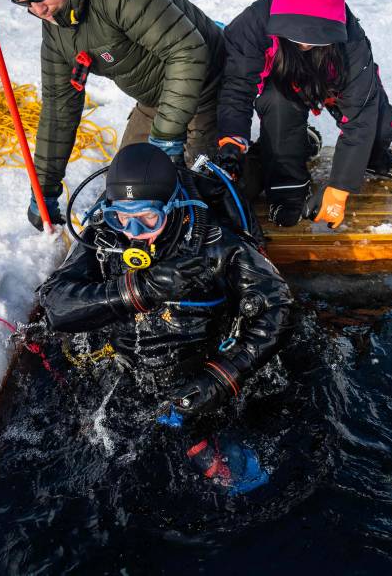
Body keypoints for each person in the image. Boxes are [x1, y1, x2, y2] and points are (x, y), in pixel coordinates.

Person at [37, 144, 292, 478]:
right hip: (124, 368)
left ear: (175, 207)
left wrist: (224, 375)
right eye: (122, 217)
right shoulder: (105, 236)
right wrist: (138, 290)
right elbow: (55, 305)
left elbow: (278, 306)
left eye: (148, 218)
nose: (133, 233)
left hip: (201, 371)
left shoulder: (215, 244)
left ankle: (200, 437)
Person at [0, 0, 226, 231]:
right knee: (127, 188)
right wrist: (45, 189)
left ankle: (251, 153)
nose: (37, 10)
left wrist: (166, 137)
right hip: (156, 99)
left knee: (204, 191)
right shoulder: (55, 26)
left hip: (209, 84)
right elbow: (58, 109)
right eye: (24, 4)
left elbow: (188, 51)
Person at [214, 0, 392, 229]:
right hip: (282, 85)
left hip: (330, 83)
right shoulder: (253, 23)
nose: (304, 43)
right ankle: (288, 187)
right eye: (296, 33)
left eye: (315, 36)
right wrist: (232, 138)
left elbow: (361, 112)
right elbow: (237, 87)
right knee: (279, 108)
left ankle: (372, 155)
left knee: (379, 126)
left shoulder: (352, 41)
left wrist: (339, 188)